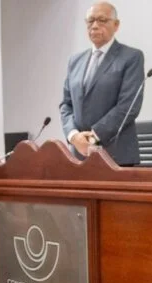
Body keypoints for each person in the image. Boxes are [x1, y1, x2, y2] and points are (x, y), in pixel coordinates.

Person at [59, 2, 146, 166]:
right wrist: (73, 136)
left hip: (115, 156)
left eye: (102, 20)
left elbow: (128, 106)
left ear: (116, 25)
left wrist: (92, 138)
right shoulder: (75, 61)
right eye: (90, 21)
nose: (95, 26)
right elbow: (66, 104)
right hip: (78, 157)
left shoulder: (131, 57)